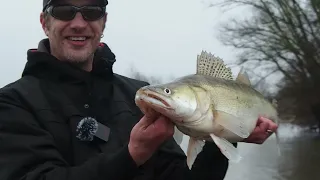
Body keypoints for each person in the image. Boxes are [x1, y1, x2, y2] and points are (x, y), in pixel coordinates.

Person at [0, 0, 278, 179]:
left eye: (91, 11)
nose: (79, 22)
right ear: (44, 22)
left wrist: (224, 136)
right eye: (64, 11)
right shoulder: (12, 104)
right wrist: (132, 155)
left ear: (103, 23)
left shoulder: (139, 95)